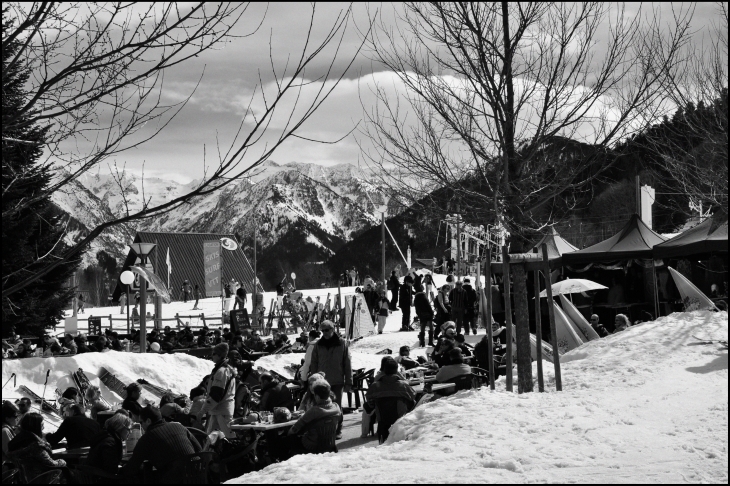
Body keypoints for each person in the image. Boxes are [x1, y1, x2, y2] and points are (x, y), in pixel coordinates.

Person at [120, 406, 201, 481]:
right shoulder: (179, 427)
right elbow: (198, 448)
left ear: (148, 421)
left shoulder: (147, 438)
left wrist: (119, 470)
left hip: (174, 478)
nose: (141, 426)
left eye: (141, 422)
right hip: (197, 474)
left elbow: (133, 467)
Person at [7, 413, 67, 481]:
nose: (43, 428)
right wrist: (62, 461)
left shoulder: (17, 441)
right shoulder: (36, 446)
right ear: (36, 427)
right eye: (42, 425)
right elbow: (51, 464)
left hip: (24, 479)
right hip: (42, 478)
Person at [286, 381, 342, 452]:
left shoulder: (314, 411)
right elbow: (340, 424)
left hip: (312, 446)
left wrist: (288, 433)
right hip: (330, 444)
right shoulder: (336, 407)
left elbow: (294, 429)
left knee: (290, 438)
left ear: (317, 397)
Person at [310, 320, 352, 407]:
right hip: (322, 382)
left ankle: (339, 421)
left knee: (337, 406)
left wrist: (349, 382)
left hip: (337, 381)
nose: (324, 333)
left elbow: (347, 363)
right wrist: (313, 381)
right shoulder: (318, 345)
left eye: (327, 330)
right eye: (323, 331)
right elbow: (314, 363)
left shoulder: (342, 343)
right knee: (323, 407)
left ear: (332, 329)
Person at [198, 343, 236, 438]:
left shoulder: (221, 372)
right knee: (209, 440)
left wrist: (202, 411)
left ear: (220, 355)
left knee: (230, 439)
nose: (212, 355)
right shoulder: (224, 369)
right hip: (217, 411)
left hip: (222, 411)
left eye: (214, 353)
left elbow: (216, 396)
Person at [2, 401, 20, 466]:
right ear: (7, 418)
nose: (18, 418)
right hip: (7, 467)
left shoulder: (7, 428)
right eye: (15, 416)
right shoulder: (5, 431)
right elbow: (10, 454)